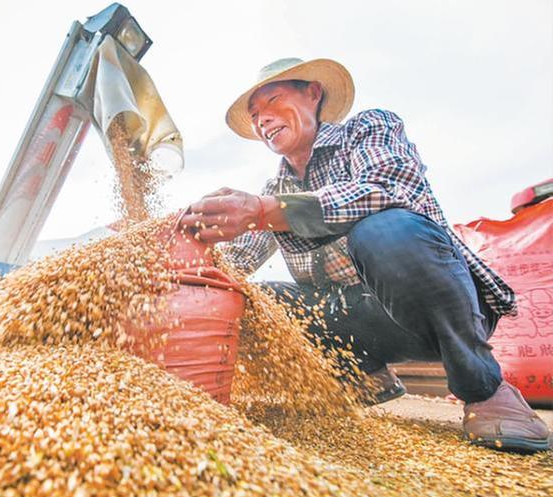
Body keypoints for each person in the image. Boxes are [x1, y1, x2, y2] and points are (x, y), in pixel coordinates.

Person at [179, 57, 550, 452]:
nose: (263, 119)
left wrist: (265, 210)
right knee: (248, 298)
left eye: (272, 100)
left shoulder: (368, 129)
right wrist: (182, 248)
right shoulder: (277, 185)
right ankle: (362, 376)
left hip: (440, 301)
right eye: (255, 115)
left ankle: (485, 389)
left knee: (385, 231)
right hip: (365, 323)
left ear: (313, 93)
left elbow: (387, 187)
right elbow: (238, 261)